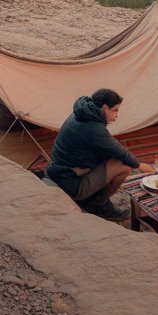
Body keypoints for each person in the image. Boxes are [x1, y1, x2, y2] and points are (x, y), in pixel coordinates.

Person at [44, 88, 145, 219]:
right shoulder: (93, 127)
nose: (116, 116)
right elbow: (120, 152)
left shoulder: (81, 113)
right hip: (70, 183)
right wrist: (141, 165)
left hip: (59, 172)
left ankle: (92, 197)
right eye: (115, 110)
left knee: (110, 156)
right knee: (124, 166)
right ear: (104, 107)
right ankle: (98, 204)